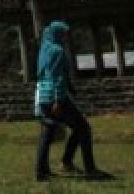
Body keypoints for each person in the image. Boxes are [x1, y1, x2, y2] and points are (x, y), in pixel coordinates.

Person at [34, 20, 110, 182]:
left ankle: (42, 171)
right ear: (57, 34)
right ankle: (90, 169)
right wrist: (59, 101)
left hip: (42, 96)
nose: (66, 38)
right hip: (55, 97)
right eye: (63, 34)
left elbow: (45, 75)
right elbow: (58, 78)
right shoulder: (57, 51)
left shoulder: (44, 49)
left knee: (46, 134)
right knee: (83, 128)